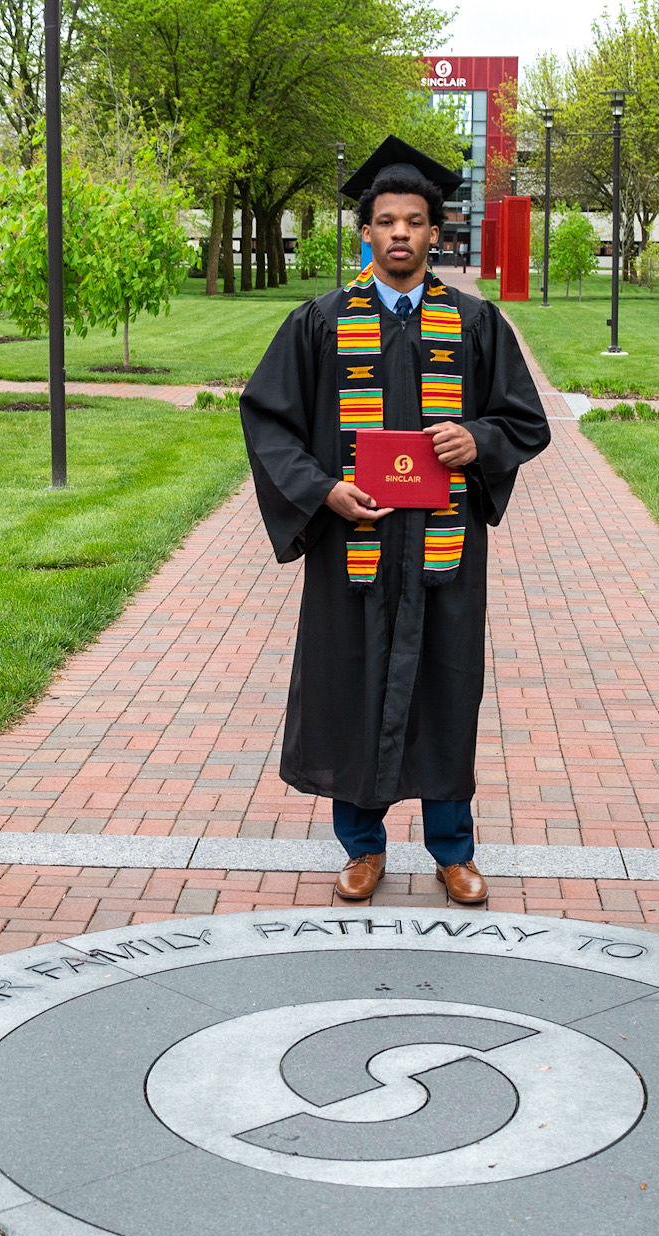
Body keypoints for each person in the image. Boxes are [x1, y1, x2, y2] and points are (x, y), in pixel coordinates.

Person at [241, 137, 550, 905]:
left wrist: (476, 438)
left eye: (415, 221)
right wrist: (320, 491)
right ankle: (362, 848)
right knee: (355, 687)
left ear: (436, 234)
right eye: (386, 221)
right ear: (367, 233)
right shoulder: (319, 323)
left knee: (445, 692)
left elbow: (526, 421)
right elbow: (269, 422)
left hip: (444, 556)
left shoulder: (474, 325)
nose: (401, 234)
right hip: (355, 546)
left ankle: (452, 851)